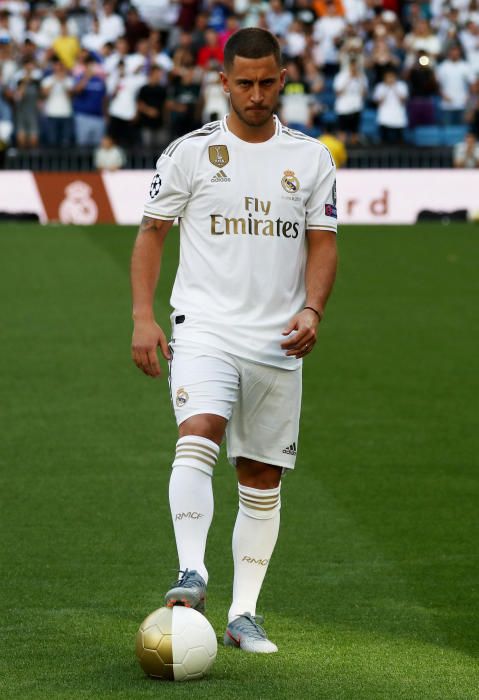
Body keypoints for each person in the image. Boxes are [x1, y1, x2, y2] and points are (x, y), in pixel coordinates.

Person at [130, 27, 338, 654]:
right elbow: (150, 235)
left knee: (261, 474)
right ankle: (191, 570)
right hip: (205, 326)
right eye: (242, 83)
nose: (255, 94)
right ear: (223, 83)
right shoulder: (190, 152)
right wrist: (144, 316)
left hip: (277, 339)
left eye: (266, 82)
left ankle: (244, 613)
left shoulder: (311, 158)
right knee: (199, 432)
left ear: (283, 80)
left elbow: (323, 243)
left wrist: (313, 309)